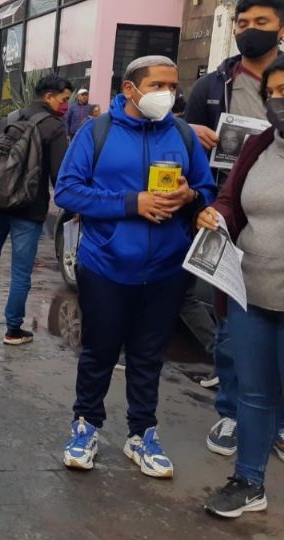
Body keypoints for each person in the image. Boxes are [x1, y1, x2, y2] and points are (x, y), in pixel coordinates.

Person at [56, 55, 217, 478]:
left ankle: (142, 433)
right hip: (106, 264)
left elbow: (206, 188)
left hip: (166, 267)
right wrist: (133, 204)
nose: (169, 94)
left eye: (173, 85)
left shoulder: (181, 134)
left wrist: (190, 198)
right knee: (99, 352)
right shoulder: (97, 132)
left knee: (148, 356)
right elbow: (68, 192)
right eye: (159, 85)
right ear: (131, 89)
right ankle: (86, 426)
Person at [185, 0, 284, 457]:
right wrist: (193, 134)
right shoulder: (212, 84)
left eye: (259, 23)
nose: (248, 31)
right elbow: (182, 138)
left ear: (280, 27)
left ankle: (273, 423)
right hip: (231, 214)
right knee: (231, 329)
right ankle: (230, 412)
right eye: (241, 23)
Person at [201, 55, 284, 518]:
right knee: (253, 393)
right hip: (251, 291)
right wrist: (217, 215)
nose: (278, 102)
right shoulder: (258, 146)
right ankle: (248, 481)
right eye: (273, 93)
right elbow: (233, 200)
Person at [0, 74, 72, 345]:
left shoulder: (9, 119)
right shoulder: (54, 126)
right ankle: (13, 330)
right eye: (64, 99)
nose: (66, 105)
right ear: (49, 96)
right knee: (21, 271)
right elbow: (60, 176)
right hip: (28, 208)